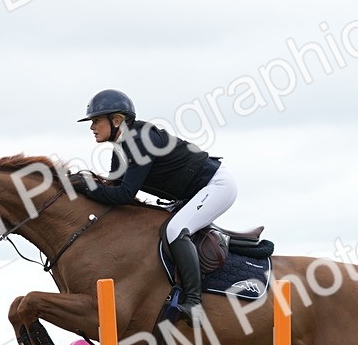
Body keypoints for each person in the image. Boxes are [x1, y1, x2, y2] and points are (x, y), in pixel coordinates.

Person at [69, 89, 238, 325]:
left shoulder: (139, 141)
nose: (92, 127)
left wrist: (86, 188)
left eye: (96, 120)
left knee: (175, 230)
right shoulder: (121, 147)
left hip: (216, 185)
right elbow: (113, 186)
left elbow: (125, 195)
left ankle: (194, 301)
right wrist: (86, 182)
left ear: (117, 120)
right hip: (193, 193)